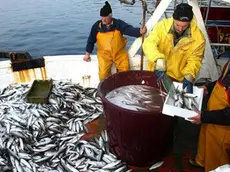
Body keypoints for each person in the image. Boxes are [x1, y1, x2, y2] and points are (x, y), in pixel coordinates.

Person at [142, 3, 205, 93]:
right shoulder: (161, 26)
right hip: (156, 72)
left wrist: (189, 75)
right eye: (177, 25)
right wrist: (158, 59)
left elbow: (195, 60)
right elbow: (149, 43)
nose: (180, 29)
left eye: (184, 26)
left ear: (190, 22)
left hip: (176, 79)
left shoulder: (199, 38)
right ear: (173, 19)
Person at [83, 1, 147, 81]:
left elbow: (129, 29)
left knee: (125, 72)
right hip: (104, 55)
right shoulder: (97, 26)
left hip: (119, 53)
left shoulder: (118, 24)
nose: (103, 19)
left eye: (105, 16)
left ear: (111, 15)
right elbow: (91, 40)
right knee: (103, 74)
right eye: (102, 17)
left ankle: (123, 87)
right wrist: (87, 54)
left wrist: (139, 32)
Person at [188, 60, 230, 172]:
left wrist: (204, 117)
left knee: (217, 152)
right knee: (206, 137)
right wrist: (208, 87)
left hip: (223, 124)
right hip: (213, 114)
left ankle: (212, 168)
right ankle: (201, 161)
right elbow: (223, 80)